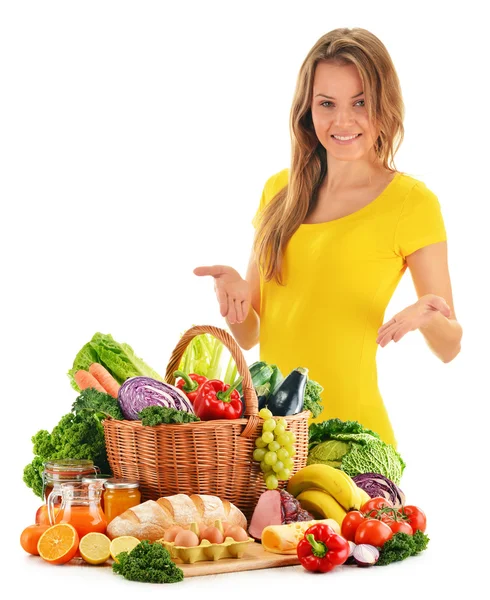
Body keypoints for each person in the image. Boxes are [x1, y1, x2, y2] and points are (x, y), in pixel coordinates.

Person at [193, 27, 463, 449]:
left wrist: (428, 319)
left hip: (354, 441)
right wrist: (233, 297)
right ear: (308, 109)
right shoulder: (278, 192)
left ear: (384, 104)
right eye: (327, 103)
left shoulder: (412, 202)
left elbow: (451, 346)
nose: (342, 121)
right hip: (276, 441)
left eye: (360, 102)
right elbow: (250, 336)